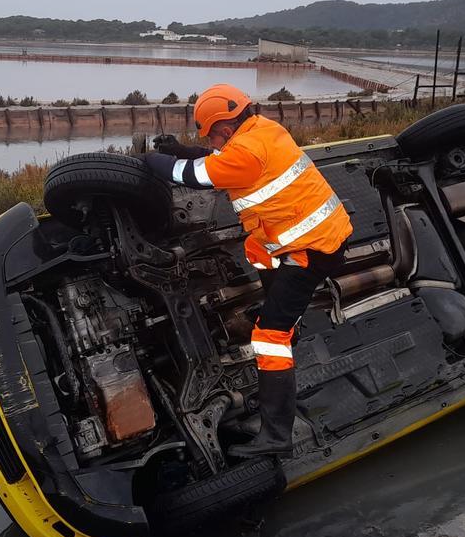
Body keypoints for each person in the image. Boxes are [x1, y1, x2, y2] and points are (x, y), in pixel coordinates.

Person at [144, 83, 352, 460]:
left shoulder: (247, 153)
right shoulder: (265, 130)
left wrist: (153, 161)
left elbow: (195, 175)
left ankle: (276, 435)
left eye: (212, 135)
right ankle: (286, 315)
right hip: (321, 235)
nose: (213, 141)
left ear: (224, 126)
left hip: (308, 252)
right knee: (260, 257)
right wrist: (181, 149)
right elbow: (221, 159)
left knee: (269, 337)